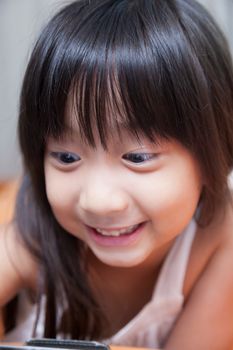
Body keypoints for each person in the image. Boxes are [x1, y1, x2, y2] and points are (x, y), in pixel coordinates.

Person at [1, 0, 233, 348]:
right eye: (66, 156)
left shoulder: (218, 241)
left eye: (137, 157)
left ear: (212, 152)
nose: (98, 200)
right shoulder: (30, 237)